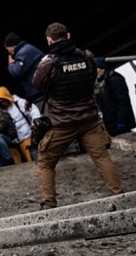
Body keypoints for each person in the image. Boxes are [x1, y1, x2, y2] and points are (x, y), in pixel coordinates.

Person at [33, 22, 123, 208]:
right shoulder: (87, 56)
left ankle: (49, 204)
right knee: (101, 156)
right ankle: (119, 196)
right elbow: (92, 78)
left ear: (49, 40)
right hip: (90, 120)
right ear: (68, 35)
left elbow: (38, 85)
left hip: (62, 124)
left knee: (46, 162)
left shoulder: (48, 63)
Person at [0, 86, 39, 163]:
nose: (3, 103)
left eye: (4, 100)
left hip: (26, 137)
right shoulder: (0, 111)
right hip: (14, 143)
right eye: (0, 102)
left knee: (32, 160)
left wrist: (35, 121)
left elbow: (32, 110)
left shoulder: (18, 102)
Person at [94, 58, 136, 136]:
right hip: (109, 122)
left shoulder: (115, 79)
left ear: (104, 68)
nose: (97, 70)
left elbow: (123, 102)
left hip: (119, 123)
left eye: (100, 68)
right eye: (96, 68)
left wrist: (121, 121)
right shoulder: (100, 81)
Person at [5, 31, 46, 108]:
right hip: (40, 91)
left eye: (7, 49)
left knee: (48, 117)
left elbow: (16, 72)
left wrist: (10, 65)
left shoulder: (23, 52)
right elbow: (29, 75)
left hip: (42, 94)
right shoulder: (26, 48)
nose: (8, 51)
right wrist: (29, 98)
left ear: (11, 46)